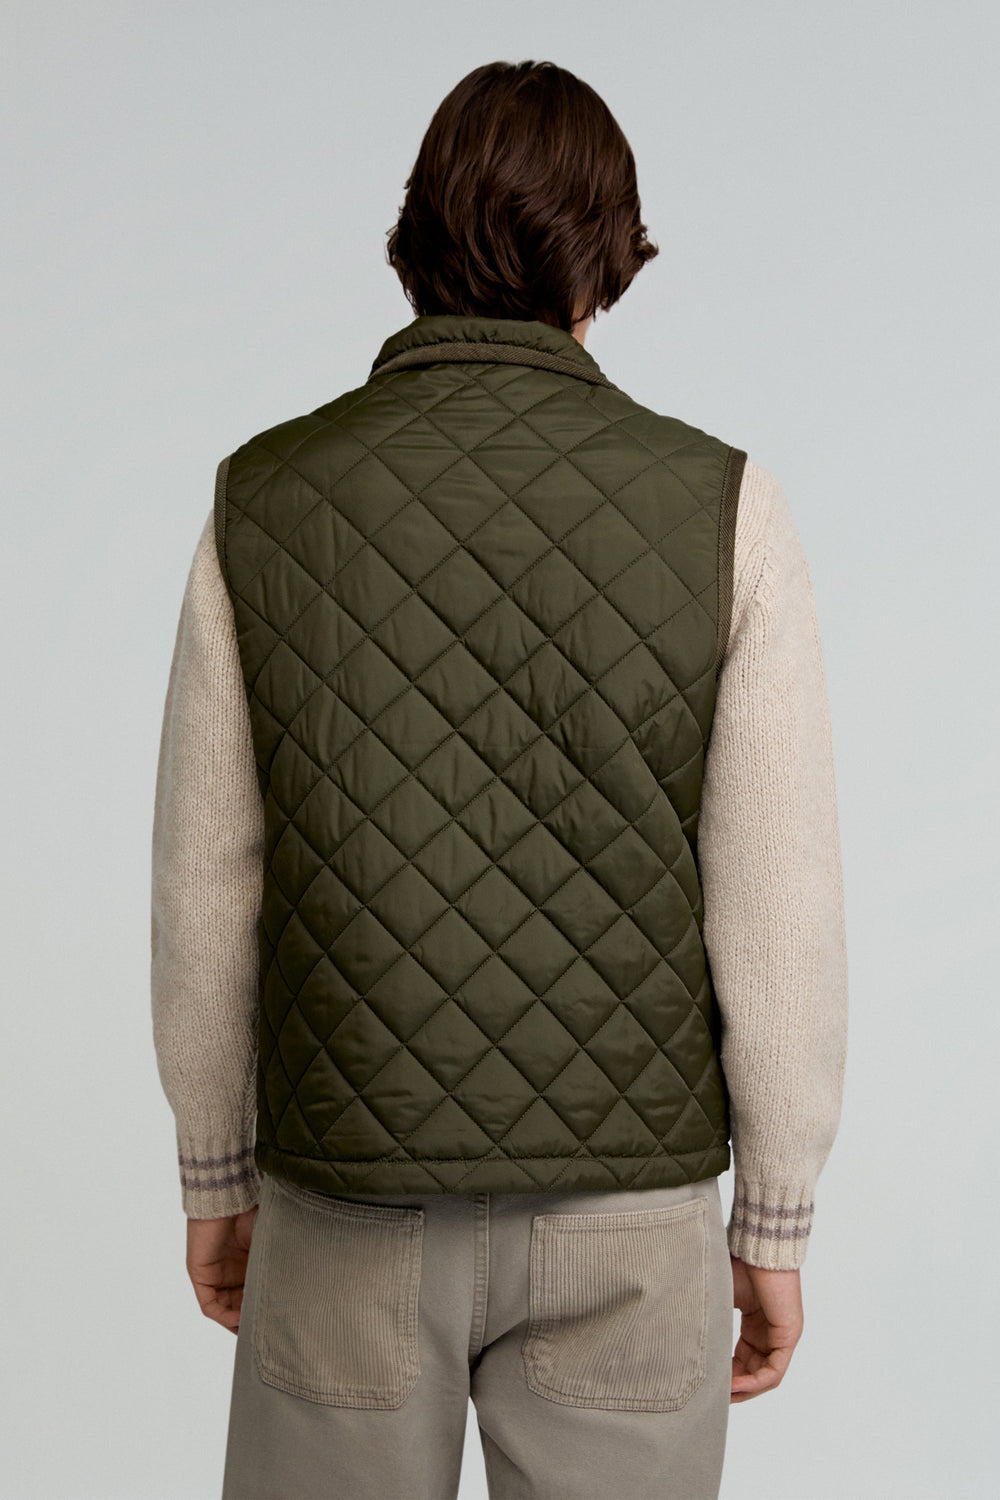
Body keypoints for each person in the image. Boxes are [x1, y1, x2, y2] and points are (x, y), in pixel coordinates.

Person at [150, 58, 848, 1500]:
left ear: (415, 240)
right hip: (630, 1222)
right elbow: (778, 903)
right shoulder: (724, 507)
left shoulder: (264, 498)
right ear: (607, 258)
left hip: (344, 1203)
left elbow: (207, 881)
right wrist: (774, 1217)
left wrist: (215, 1169)